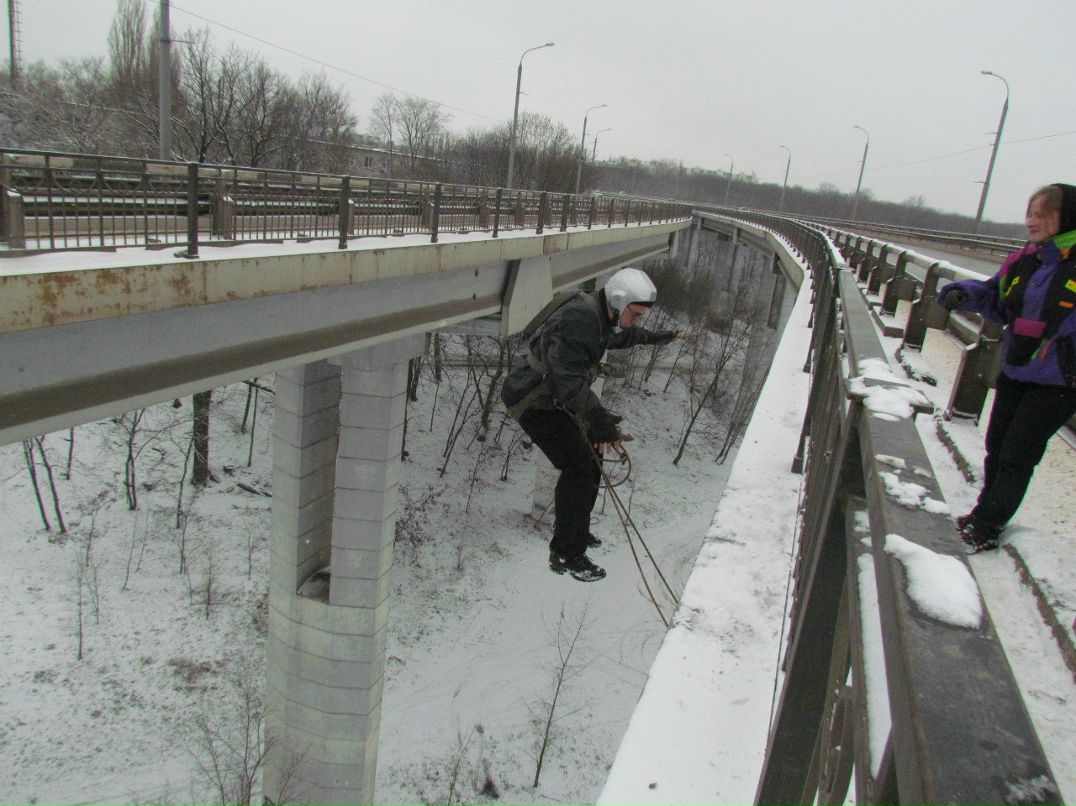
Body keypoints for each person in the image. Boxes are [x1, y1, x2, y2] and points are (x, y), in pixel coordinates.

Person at [501, 267, 678, 581]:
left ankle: (576, 531)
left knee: (590, 458)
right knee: (579, 465)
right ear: (620, 303)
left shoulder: (599, 314)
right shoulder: (582, 319)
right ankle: (567, 554)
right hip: (532, 400)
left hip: (547, 395)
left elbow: (620, 337)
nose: (636, 321)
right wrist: (599, 423)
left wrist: (658, 337)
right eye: (635, 315)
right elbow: (566, 382)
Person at [936, 182, 1076, 553]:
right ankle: (982, 514)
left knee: (1017, 454)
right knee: (996, 447)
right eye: (1030, 213)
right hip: (1016, 372)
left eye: (1043, 214)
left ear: (1067, 218)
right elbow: (997, 298)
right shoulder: (1025, 260)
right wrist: (964, 292)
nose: (1033, 221)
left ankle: (988, 526)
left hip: (1059, 381)